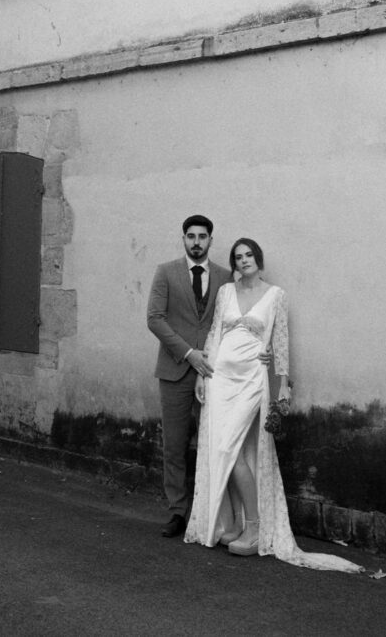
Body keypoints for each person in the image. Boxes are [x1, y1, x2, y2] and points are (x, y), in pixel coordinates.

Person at [184, 238, 363, 573]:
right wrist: (202, 374)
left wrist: (283, 387)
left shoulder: (276, 295)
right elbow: (213, 336)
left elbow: (280, 342)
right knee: (224, 450)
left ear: (258, 258)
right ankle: (236, 522)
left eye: (249, 255)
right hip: (220, 377)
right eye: (238, 257)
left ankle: (255, 526)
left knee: (231, 449)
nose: (243, 261)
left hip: (252, 380)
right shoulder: (225, 292)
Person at [146, 214, 233, 537]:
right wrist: (188, 353)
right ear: (183, 239)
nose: (196, 242)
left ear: (211, 240)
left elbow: (230, 322)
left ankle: (208, 511)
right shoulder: (166, 272)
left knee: (214, 443)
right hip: (175, 370)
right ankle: (178, 512)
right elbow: (154, 319)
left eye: (202, 236)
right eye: (191, 236)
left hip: (213, 372)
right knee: (175, 445)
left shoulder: (226, 277)